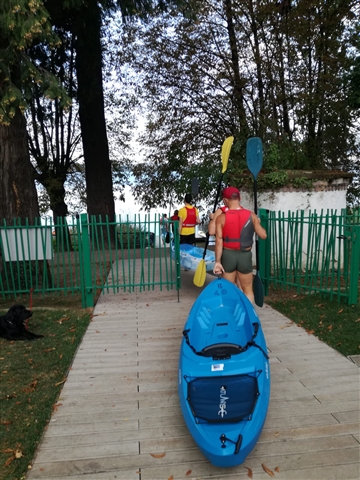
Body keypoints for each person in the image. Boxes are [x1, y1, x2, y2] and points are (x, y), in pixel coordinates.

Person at [213, 186, 267, 304]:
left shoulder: (221, 218)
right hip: (245, 256)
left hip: (228, 256)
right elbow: (263, 235)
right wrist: (257, 223)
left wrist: (217, 262)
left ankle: (231, 317)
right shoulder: (251, 215)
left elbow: (219, 241)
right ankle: (249, 317)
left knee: (229, 289)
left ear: (225, 200)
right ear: (240, 198)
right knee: (247, 289)